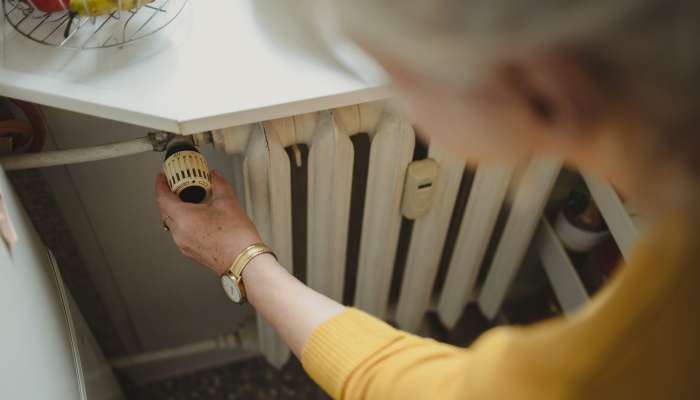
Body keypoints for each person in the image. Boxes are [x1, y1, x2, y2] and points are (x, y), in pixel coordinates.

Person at [155, 1, 700, 398]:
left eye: (387, 68)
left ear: (540, 84)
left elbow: (416, 388)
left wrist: (243, 260)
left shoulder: (623, 358)